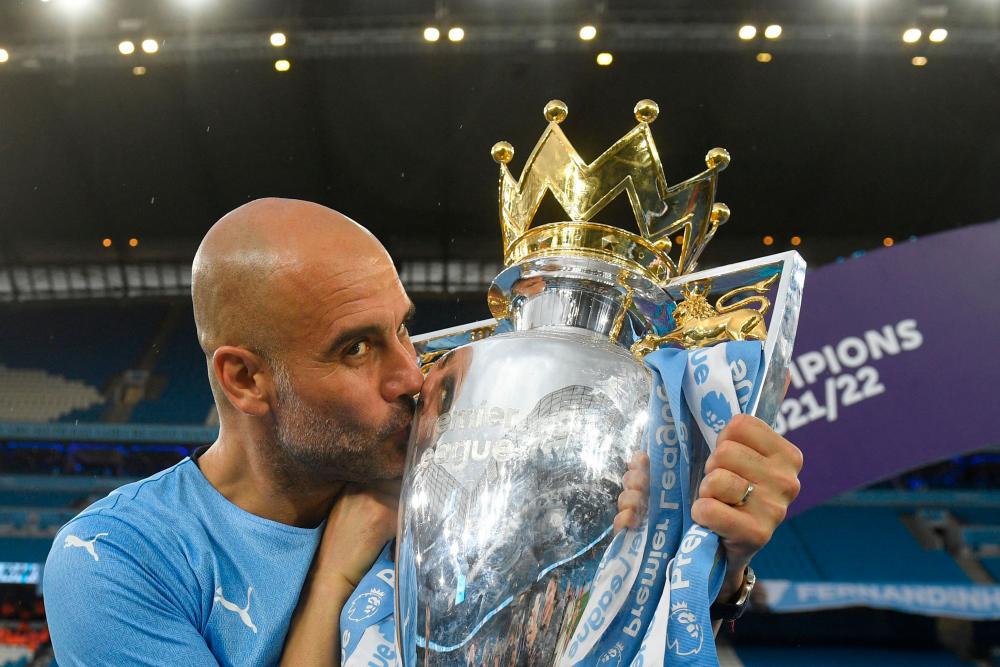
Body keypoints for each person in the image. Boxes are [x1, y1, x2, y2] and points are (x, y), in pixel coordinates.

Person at [43, 198, 803, 666]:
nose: (412, 374)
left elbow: (579, 637)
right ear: (245, 379)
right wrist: (331, 583)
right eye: (356, 347)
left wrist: (716, 550)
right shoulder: (116, 559)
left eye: (403, 328)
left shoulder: (460, 458)